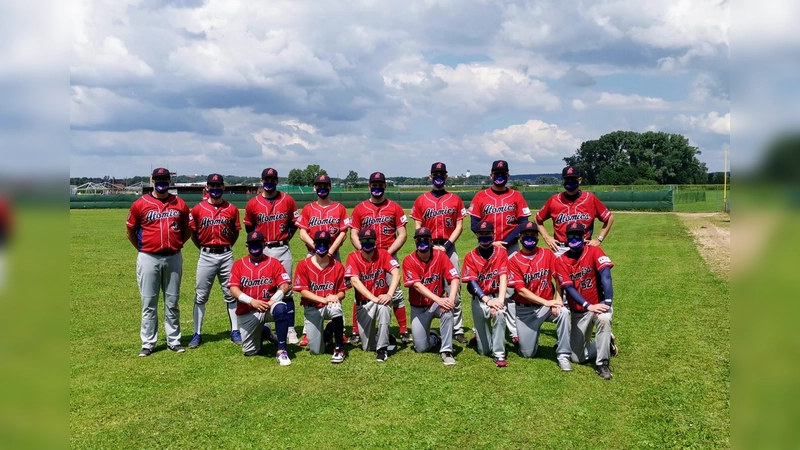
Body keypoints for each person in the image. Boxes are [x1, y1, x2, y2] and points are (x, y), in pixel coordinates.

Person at [125, 167, 192, 356]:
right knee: (149, 303)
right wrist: (142, 248)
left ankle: (174, 340)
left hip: (173, 256)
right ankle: (148, 343)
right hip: (148, 257)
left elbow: (187, 229)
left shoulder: (179, 203)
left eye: (165, 179)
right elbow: (130, 230)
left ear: (169, 181)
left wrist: (177, 243)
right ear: (152, 180)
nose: (161, 182)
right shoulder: (140, 203)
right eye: (158, 179)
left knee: (172, 301)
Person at [467, 160, 531, 345]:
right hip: (487, 246)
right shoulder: (480, 196)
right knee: (484, 284)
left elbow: (523, 223)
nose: (500, 176)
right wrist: (492, 241)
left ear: (508, 175)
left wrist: (506, 242)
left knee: (510, 288)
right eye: (497, 173)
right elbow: (474, 224)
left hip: (510, 247)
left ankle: (512, 331)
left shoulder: (516, 196)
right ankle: (478, 329)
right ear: (491, 175)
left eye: (503, 173)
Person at [410, 162, 468, 344]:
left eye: (442, 174)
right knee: (425, 284)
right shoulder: (421, 200)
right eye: (436, 173)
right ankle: (426, 320)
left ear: (446, 176)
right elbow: (417, 225)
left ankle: (457, 328)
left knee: (453, 289)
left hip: (448, 247)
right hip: (426, 246)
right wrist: (424, 243)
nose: (439, 176)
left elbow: (459, 226)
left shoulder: (455, 199)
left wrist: (447, 245)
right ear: (430, 176)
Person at [350, 172, 411, 343]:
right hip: (366, 258)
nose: (377, 188)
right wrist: (363, 251)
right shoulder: (360, 209)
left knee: (395, 292)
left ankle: (403, 330)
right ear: (369, 186)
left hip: (388, 254)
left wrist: (387, 254)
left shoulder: (395, 207)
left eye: (380, 184)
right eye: (374, 185)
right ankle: (355, 331)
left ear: (385, 186)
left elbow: (402, 234)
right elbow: (353, 234)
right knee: (361, 292)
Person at [553, 222, 619, 380]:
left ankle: (602, 364)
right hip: (580, 311)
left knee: (603, 319)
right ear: (566, 239)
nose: (574, 238)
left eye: (578, 235)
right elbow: (569, 288)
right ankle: (606, 343)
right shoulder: (561, 260)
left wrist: (607, 303)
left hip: (600, 304)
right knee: (577, 358)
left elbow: (606, 276)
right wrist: (588, 306)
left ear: (584, 237)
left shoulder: (595, 251)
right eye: (571, 236)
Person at [244, 168, 301, 345]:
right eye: (266, 179)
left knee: (287, 290)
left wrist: (285, 239)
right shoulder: (253, 203)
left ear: (277, 181)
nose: (269, 182)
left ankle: (290, 329)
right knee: (263, 288)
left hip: (282, 248)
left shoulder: (287, 200)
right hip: (263, 249)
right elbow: (249, 228)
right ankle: (262, 325)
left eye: (272, 179)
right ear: (261, 181)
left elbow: (294, 224)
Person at [295, 174, 351, 346]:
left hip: (334, 255)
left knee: (336, 290)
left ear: (330, 187)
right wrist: (315, 248)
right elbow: (302, 232)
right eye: (319, 185)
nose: (322, 188)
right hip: (312, 255)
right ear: (314, 187)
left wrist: (330, 250)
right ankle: (307, 331)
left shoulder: (339, 208)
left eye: (325, 185)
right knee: (310, 290)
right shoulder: (308, 209)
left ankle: (338, 329)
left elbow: (343, 232)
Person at [507, 222, 572, 371]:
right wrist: (547, 302)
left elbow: (559, 278)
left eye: (532, 234)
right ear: (520, 237)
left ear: (537, 236)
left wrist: (558, 299)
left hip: (546, 307)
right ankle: (529, 341)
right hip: (524, 311)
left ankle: (563, 355)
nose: (529, 237)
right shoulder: (514, 260)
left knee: (563, 312)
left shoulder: (547, 254)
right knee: (527, 354)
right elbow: (521, 290)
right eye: (526, 235)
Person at [188, 174, 242, 348]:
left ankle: (235, 331)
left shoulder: (231, 209)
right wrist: (204, 248)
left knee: (231, 294)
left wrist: (226, 246)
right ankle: (197, 333)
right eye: (212, 185)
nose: (216, 188)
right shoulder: (197, 209)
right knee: (201, 295)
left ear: (223, 187)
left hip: (226, 254)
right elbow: (193, 233)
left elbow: (236, 233)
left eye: (218, 185)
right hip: (206, 254)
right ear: (207, 188)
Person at [228, 231, 293, 366]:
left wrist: (272, 301)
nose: (255, 247)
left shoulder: (273, 263)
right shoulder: (239, 264)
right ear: (247, 246)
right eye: (252, 244)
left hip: (269, 307)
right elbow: (233, 290)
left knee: (281, 307)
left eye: (258, 243)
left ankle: (282, 350)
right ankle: (265, 332)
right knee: (250, 351)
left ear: (264, 245)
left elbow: (285, 285)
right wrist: (252, 301)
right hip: (248, 311)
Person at [402, 227, 460, 366]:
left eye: (425, 240)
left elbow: (454, 278)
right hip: (419, 307)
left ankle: (446, 351)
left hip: (436, 305)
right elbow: (417, 285)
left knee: (447, 309)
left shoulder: (440, 256)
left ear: (431, 241)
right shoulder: (409, 260)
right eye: (419, 240)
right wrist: (439, 299)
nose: (422, 243)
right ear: (415, 242)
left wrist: (451, 298)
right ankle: (434, 337)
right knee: (421, 348)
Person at [293, 230, 349, 363]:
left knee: (336, 308)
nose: (322, 246)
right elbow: (303, 291)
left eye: (325, 243)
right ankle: (329, 332)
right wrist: (323, 299)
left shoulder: (338, 266)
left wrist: (336, 297)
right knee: (316, 351)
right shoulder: (303, 264)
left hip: (330, 306)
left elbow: (342, 292)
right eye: (319, 243)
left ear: (329, 245)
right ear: (314, 244)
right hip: (312, 308)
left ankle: (339, 348)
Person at [345, 228, 400, 362]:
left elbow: (396, 273)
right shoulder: (353, 256)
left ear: (375, 241)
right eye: (364, 240)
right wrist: (373, 298)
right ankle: (384, 337)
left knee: (384, 307)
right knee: (368, 347)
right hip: (364, 304)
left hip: (381, 299)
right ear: (360, 242)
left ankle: (382, 349)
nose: (368, 243)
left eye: (370, 240)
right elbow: (354, 281)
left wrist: (389, 295)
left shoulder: (383, 254)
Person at [535, 166, 614, 256]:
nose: (569, 182)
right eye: (567, 179)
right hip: (561, 249)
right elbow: (538, 219)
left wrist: (599, 239)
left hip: (584, 248)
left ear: (579, 180)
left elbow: (609, 218)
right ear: (563, 181)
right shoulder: (554, 200)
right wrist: (547, 237)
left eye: (573, 179)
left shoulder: (590, 198)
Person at [462, 221, 510, 367]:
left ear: (493, 234)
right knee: (484, 350)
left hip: (497, 295)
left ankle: (499, 354)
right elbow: (472, 283)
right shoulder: (470, 256)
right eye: (481, 234)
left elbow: (503, 276)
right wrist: (488, 300)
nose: (484, 236)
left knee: (501, 313)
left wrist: (500, 302)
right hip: (480, 299)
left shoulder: (501, 252)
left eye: (487, 233)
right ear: (476, 235)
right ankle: (483, 340)